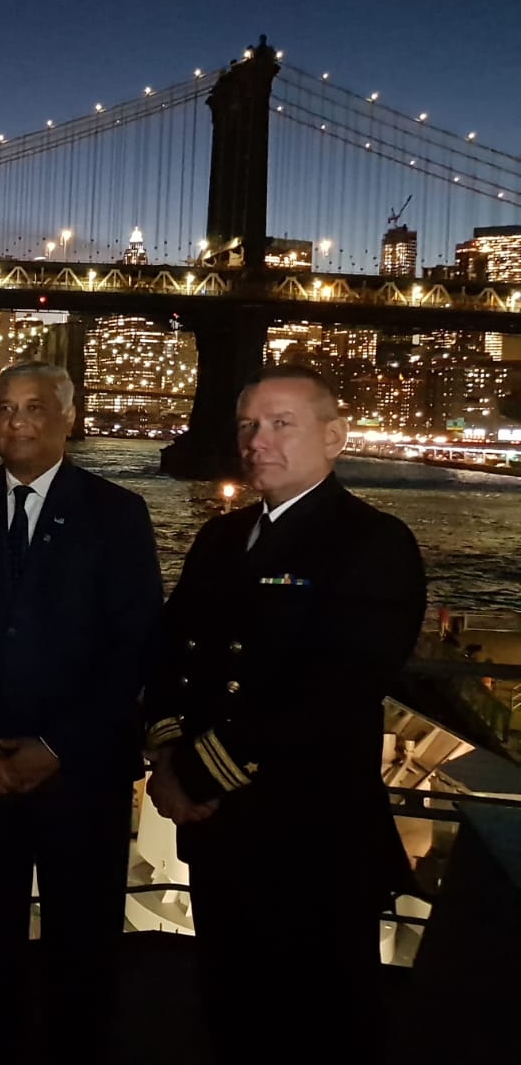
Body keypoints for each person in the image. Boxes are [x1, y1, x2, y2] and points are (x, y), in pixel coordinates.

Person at [143, 364, 426, 1064]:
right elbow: (171, 652)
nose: (255, 440)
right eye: (247, 425)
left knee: (324, 1018)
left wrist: (196, 776)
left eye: (280, 424)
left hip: (311, 838)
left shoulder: (374, 542)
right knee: (231, 1006)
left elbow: (337, 687)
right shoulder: (221, 539)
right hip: (220, 835)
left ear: (335, 437)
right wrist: (166, 752)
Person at [0, 360, 161, 1063]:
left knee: (83, 939)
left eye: (33, 408)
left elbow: (137, 644)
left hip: (80, 773)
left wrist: (58, 744)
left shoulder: (119, 512)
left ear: (68, 417)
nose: (16, 422)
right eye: (3, 408)